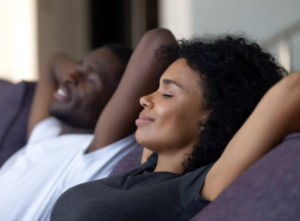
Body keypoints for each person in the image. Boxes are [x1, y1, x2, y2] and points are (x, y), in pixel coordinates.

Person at [50, 30, 299, 221]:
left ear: (211, 119)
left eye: (167, 94)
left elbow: (292, 90)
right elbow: (158, 43)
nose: (145, 99)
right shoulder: (148, 166)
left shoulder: (193, 188)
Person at [0, 44, 143, 221]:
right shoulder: (46, 133)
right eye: (78, 67)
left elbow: (158, 40)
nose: (68, 77)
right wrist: (86, 73)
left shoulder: (93, 153)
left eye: (90, 79)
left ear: (117, 103)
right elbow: (52, 63)